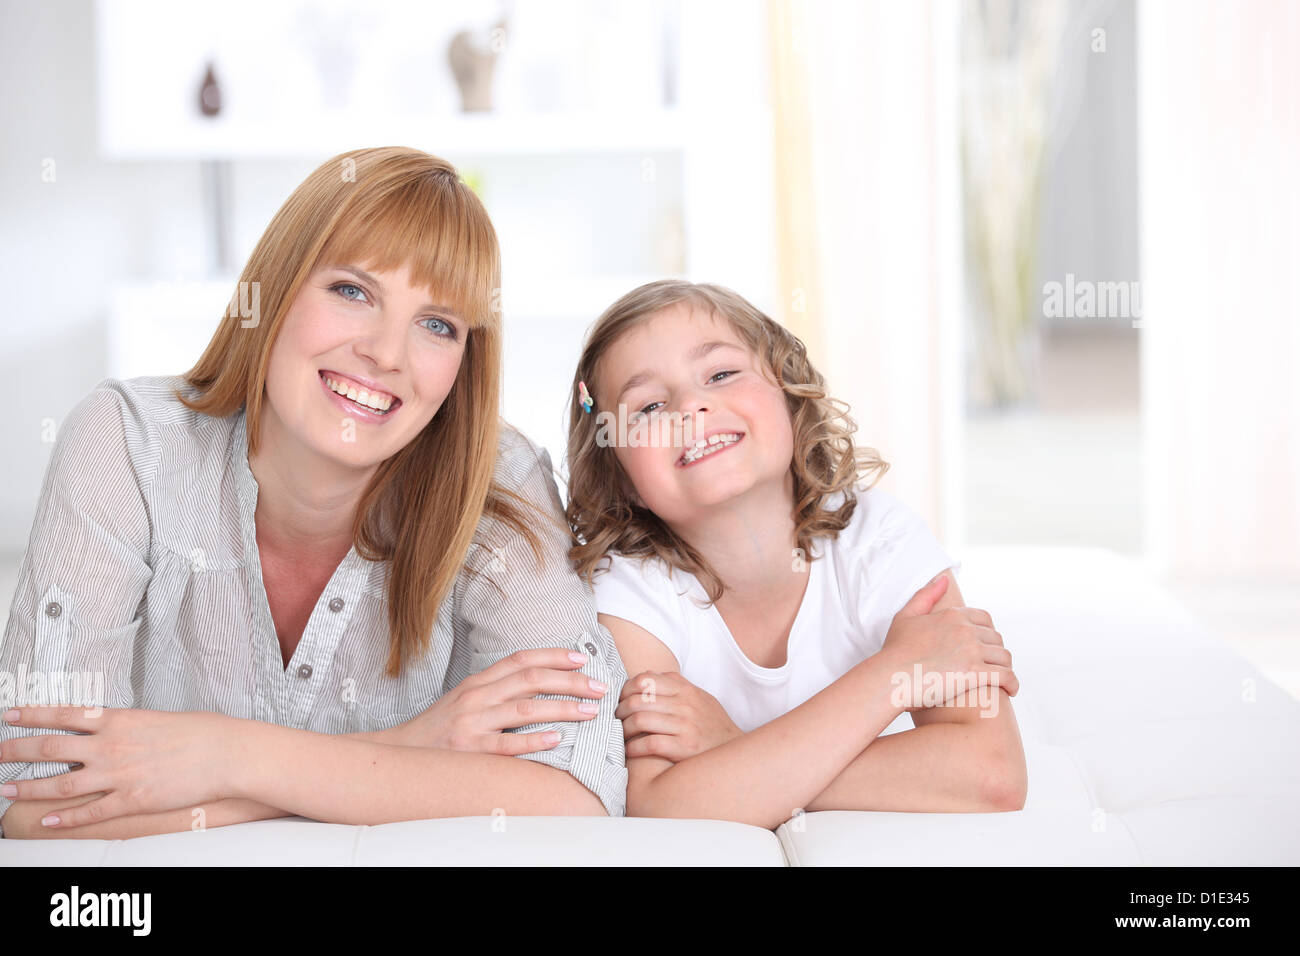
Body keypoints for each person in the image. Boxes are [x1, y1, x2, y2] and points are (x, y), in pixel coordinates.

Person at [0, 147, 627, 838]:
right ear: (275, 288)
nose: (387, 354)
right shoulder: (126, 444)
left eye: (438, 324)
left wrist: (228, 757)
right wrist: (409, 748)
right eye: (353, 291)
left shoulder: (499, 482)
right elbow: (37, 807)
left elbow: (579, 790)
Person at [564, 279, 1026, 828]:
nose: (692, 407)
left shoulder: (878, 541)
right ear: (623, 479)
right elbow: (662, 803)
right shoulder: (631, 589)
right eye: (650, 406)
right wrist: (895, 670)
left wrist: (735, 750)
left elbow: (992, 774)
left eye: (721, 374)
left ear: (788, 392)